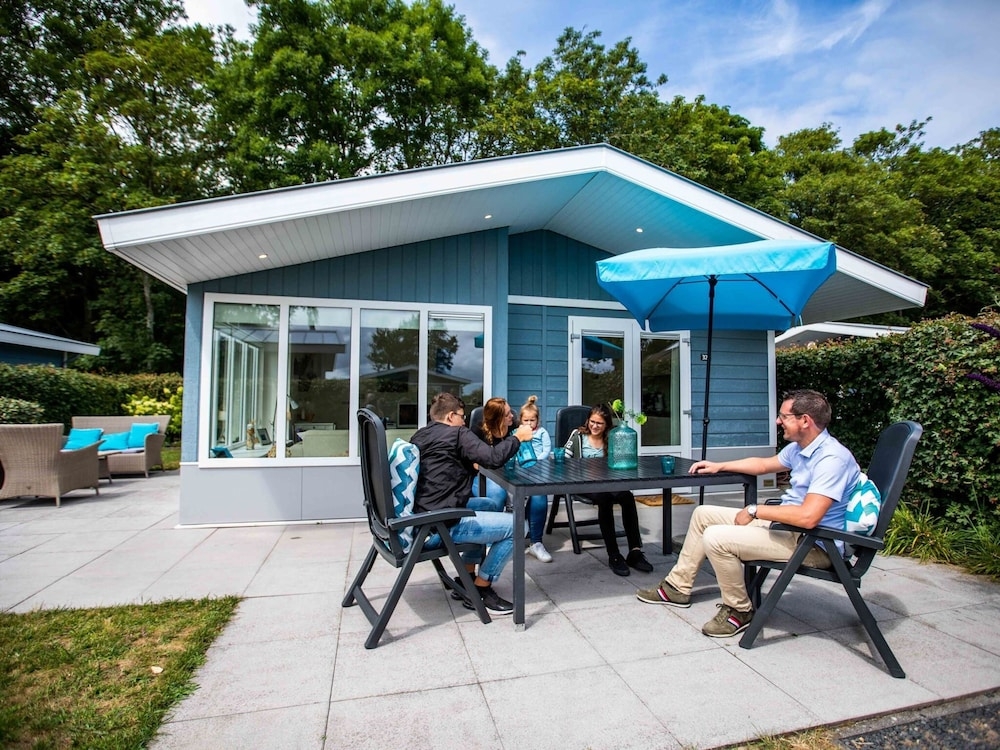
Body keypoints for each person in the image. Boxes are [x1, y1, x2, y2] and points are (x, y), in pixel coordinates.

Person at [635, 389, 861, 638]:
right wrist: (719, 465)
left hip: (813, 544)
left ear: (805, 420)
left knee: (716, 538)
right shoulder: (800, 448)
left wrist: (756, 510)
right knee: (703, 514)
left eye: (783, 416)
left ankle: (739, 610)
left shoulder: (831, 459)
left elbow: (809, 517)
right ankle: (677, 587)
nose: (778, 421)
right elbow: (763, 465)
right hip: (789, 530)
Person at [410, 392, 533, 614]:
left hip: (422, 520)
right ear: (450, 416)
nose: (464, 421)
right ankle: (481, 589)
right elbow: (493, 458)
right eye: (461, 416)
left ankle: (466, 577)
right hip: (441, 524)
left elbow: (445, 463)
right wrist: (518, 438)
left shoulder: (421, 435)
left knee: (489, 505)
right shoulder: (457, 433)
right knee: (519, 526)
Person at [563, 403, 654, 576]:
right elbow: (564, 460)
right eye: (592, 421)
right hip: (584, 483)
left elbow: (621, 460)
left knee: (627, 497)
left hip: (608, 482)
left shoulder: (612, 437)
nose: (595, 426)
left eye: (599, 423)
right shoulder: (578, 436)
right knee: (605, 499)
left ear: (607, 425)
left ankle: (635, 552)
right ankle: (614, 555)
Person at [471, 397, 553, 563]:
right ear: (497, 418)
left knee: (539, 492)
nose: (512, 416)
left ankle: (536, 543)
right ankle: (489, 542)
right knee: (497, 492)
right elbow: (474, 463)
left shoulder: (515, 427)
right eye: (508, 414)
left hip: (514, 472)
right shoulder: (478, 431)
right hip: (484, 476)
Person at [519, 395, 554, 562]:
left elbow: (547, 449)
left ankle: (536, 541)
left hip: (539, 469)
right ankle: (517, 532)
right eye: (525, 420)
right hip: (521, 470)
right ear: (521, 420)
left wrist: (537, 460)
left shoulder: (542, 432)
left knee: (538, 494)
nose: (529, 423)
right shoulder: (518, 434)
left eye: (532, 420)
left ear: (537, 420)